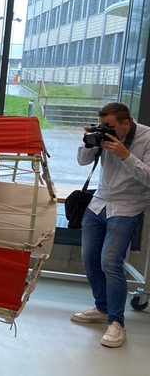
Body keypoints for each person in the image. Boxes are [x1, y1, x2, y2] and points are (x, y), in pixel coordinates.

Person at [70, 102, 150, 348]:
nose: (107, 129)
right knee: (89, 258)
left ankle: (117, 323)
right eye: (104, 125)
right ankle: (102, 308)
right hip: (99, 203)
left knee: (110, 261)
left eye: (111, 125)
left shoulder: (147, 138)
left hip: (127, 206)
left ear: (126, 123)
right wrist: (88, 140)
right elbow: (82, 162)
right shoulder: (103, 134)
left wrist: (125, 154)